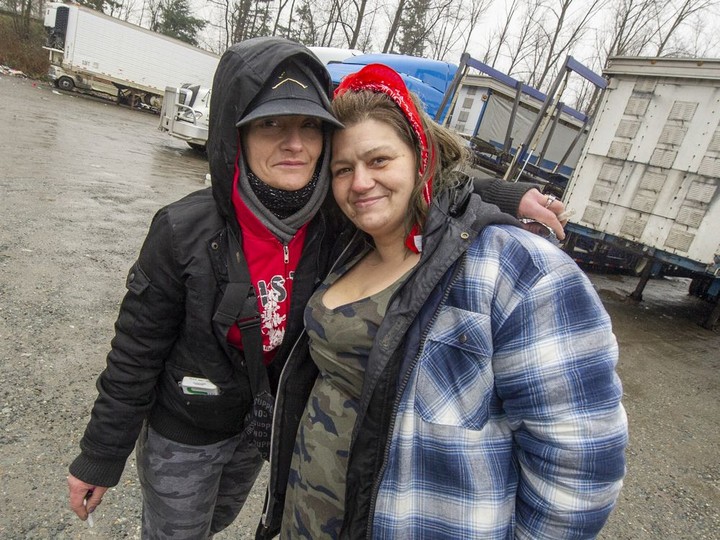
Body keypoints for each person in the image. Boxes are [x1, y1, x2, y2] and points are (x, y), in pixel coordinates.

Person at [66, 38, 569, 538]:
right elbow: (136, 350)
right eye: (270, 124)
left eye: (310, 126)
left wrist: (510, 194)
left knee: (217, 520)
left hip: (261, 431)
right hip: (188, 431)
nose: (296, 144)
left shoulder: (339, 218)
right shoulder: (183, 230)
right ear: (233, 134)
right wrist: (100, 456)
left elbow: (405, 168)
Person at [258, 64, 628, 539]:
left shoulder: (513, 267)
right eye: (343, 169)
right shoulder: (349, 248)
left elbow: (582, 460)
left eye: (379, 161)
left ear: (420, 157)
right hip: (303, 519)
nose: (360, 182)